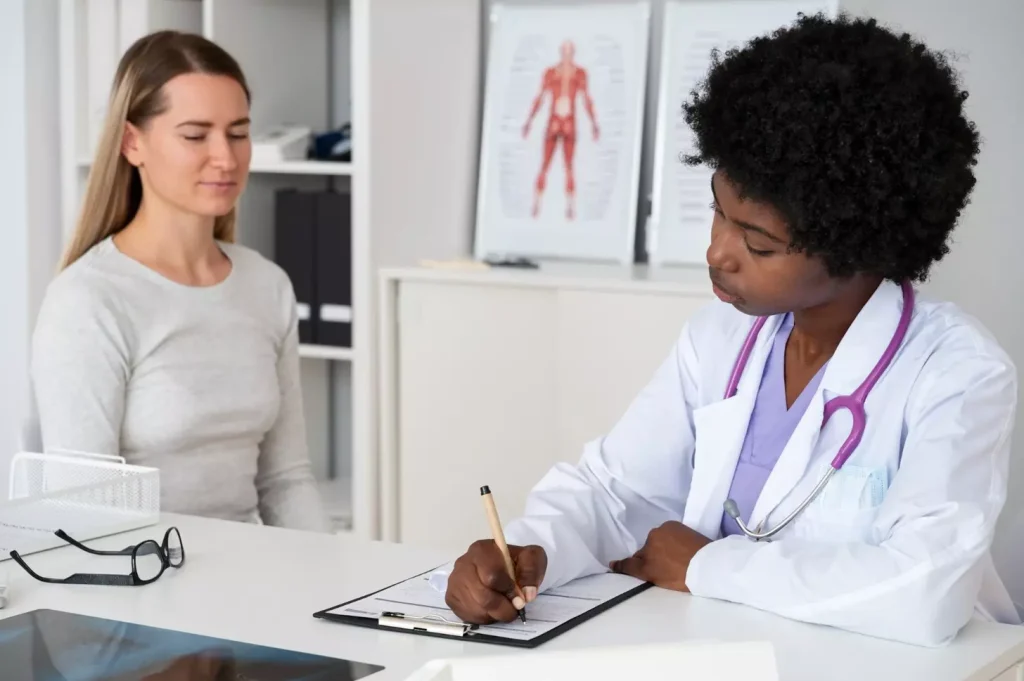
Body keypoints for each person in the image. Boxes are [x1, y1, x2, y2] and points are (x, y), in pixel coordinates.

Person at [442, 13, 1022, 646]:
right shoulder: (718, 339)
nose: (718, 253)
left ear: (858, 246)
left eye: (758, 243)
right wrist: (531, 549)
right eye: (719, 212)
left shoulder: (956, 371)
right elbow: (615, 490)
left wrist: (705, 565)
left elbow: (924, 590)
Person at [31, 31, 330, 532]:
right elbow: (80, 516)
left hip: (251, 580)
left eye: (238, 133)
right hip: (138, 586)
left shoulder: (267, 285)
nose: (226, 158)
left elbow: (285, 480)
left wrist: (333, 587)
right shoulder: (88, 301)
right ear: (133, 143)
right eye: (195, 135)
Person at [523, 39, 600, 220]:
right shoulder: (551, 73)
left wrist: (594, 123)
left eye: (569, 51)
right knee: (545, 164)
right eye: (564, 51)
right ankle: (536, 204)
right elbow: (540, 98)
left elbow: (586, 99)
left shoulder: (579, 74)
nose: (567, 54)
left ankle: (570, 208)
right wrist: (529, 121)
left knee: (569, 167)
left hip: (569, 122)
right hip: (554, 121)